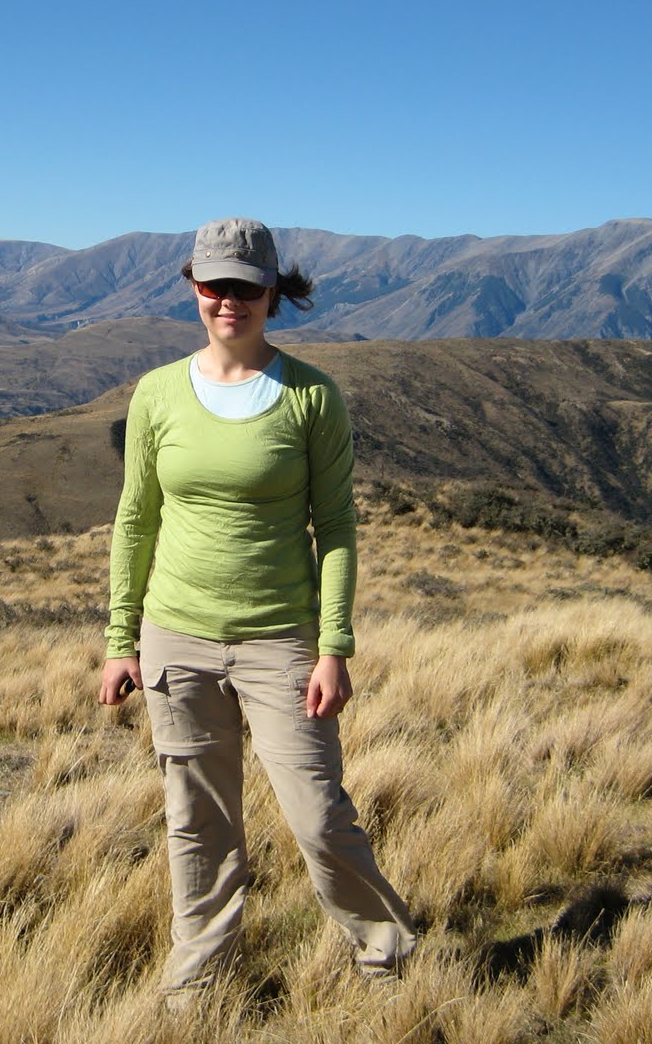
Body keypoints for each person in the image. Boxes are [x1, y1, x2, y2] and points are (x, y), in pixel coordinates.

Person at [99, 217, 416, 1002]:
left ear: (273, 293)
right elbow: (135, 521)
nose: (227, 300)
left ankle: (390, 960)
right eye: (213, 285)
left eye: (244, 286)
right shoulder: (157, 394)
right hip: (177, 637)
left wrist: (334, 646)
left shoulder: (312, 396)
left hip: (282, 640)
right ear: (193, 288)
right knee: (197, 824)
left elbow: (336, 527)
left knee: (318, 817)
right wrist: (119, 639)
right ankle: (198, 983)